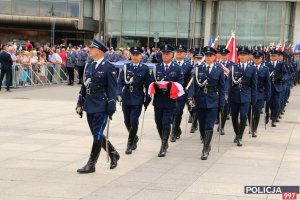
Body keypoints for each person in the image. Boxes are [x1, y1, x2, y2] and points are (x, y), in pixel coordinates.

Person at [76, 38, 120, 173]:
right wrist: (79, 103)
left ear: (100, 51)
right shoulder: (89, 66)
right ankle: (113, 153)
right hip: (89, 104)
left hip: (101, 104)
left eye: (92, 48)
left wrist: (111, 105)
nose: (89, 50)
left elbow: (113, 88)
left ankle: (91, 164)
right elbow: (84, 86)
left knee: (98, 135)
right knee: (97, 134)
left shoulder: (108, 67)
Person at [188, 46, 225, 160]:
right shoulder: (199, 69)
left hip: (213, 100)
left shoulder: (219, 70)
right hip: (200, 100)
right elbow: (194, 85)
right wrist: (191, 97)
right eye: (207, 55)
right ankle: (206, 143)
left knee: (209, 125)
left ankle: (205, 148)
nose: (208, 57)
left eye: (210, 55)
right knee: (202, 126)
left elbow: (222, 89)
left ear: (214, 57)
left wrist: (222, 103)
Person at [149, 44, 184, 157]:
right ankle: (164, 140)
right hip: (158, 100)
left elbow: (180, 83)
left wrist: (170, 86)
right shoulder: (156, 67)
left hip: (170, 100)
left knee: (166, 122)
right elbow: (151, 82)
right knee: (158, 122)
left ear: (172, 54)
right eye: (163, 53)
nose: (165, 55)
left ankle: (163, 145)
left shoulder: (177, 68)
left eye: (168, 53)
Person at [118, 46, 151, 154]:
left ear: (141, 56)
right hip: (126, 96)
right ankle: (134, 137)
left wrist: (148, 97)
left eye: (137, 54)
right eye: (133, 54)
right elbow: (120, 82)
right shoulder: (126, 67)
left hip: (137, 96)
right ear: (130, 55)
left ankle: (130, 143)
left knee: (133, 121)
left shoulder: (145, 69)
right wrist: (118, 94)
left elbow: (148, 85)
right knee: (126, 121)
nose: (135, 56)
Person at [228, 46, 257, 146]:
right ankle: (237, 133)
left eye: (244, 55)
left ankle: (240, 136)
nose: (242, 56)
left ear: (248, 56)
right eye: (240, 54)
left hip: (246, 95)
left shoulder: (252, 68)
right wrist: (226, 94)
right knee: (234, 117)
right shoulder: (233, 67)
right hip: (234, 95)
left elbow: (254, 85)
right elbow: (229, 82)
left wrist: (254, 99)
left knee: (244, 116)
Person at [170, 44, 193, 142]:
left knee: (178, 112)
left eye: (181, 52)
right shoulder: (170, 64)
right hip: (170, 92)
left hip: (182, 92)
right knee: (170, 113)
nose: (179, 53)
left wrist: (190, 94)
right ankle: (177, 129)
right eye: (177, 52)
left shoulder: (189, 66)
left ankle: (173, 132)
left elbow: (191, 81)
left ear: (185, 53)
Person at [248, 50, 271, 137]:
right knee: (248, 112)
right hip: (249, 93)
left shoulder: (265, 69)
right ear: (253, 58)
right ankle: (250, 125)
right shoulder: (249, 67)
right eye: (255, 58)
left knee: (257, 112)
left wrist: (267, 96)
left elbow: (268, 84)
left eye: (259, 58)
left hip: (260, 93)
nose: (257, 59)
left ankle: (254, 129)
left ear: (261, 59)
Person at [217, 48, 234, 135]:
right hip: (217, 90)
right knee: (217, 109)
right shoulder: (217, 64)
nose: (224, 56)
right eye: (222, 55)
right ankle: (218, 121)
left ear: (228, 55)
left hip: (227, 90)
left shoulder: (232, 65)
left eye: (225, 55)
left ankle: (222, 126)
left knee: (225, 109)